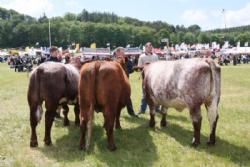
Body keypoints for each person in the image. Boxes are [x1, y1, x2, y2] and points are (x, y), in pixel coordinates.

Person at [136, 42, 159, 115]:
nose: (150, 48)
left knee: (156, 93)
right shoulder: (141, 56)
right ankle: (142, 109)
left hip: (155, 77)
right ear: (145, 48)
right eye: (149, 47)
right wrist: (145, 66)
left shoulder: (155, 56)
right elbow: (139, 68)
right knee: (145, 94)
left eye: (151, 47)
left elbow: (158, 65)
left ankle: (157, 108)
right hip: (145, 77)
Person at [114, 47, 137, 117]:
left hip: (125, 83)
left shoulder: (127, 61)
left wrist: (126, 64)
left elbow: (132, 70)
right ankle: (114, 113)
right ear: (117, 53)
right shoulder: (113, 61)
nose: (124, 53)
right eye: (122, 52)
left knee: (127, 97)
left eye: (124, 52)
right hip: (115, 84)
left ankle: (131, 113)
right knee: (114, 98)